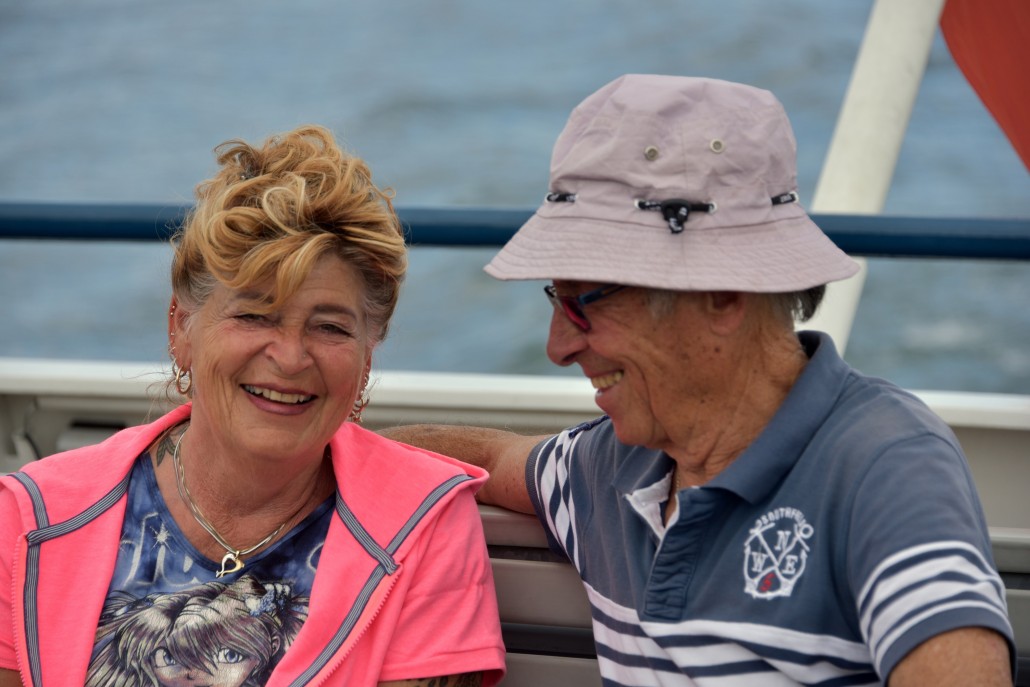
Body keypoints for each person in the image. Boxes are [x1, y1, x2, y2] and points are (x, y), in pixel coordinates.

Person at [380, 75, 1016, 686]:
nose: (558, 346)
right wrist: (331, 454)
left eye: (584, 303)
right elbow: (491, 456)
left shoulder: (884, 469)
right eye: (556, 299)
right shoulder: (608, 468)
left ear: (722, 294)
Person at [0, 125, 505, 687]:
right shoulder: (31, 518)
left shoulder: (424, 527)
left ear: (366, 359)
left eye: (330, 327)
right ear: (181, 329)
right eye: (254, 316)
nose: (290, 357)